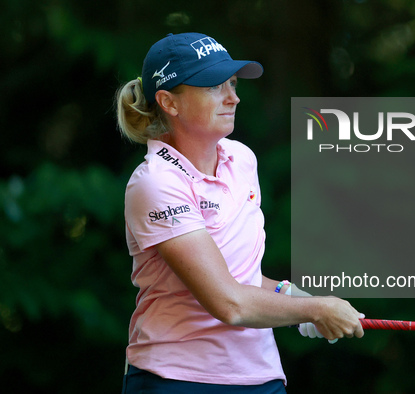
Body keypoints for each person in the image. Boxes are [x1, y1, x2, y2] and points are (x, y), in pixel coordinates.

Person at [115, 32, 364, 393]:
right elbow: (228, 302)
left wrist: (293, 294)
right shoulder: (155, 182)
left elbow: (241, 278)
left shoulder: (242, 160)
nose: (234, 97)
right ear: (169, 102)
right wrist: (317, 309)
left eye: (232, 83)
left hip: (259, 377)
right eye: (214, 86)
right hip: (176, 379)